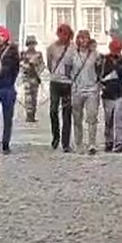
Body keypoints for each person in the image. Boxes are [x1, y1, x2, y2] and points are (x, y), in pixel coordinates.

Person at [64, 29, 102, 154]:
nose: (83, 41)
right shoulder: (72, 55)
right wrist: (72, 83)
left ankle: (92, 143)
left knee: (92, 117)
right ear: (77, 40)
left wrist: (98, 83)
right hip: (77, 89)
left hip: (92, 89)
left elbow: (100, 69)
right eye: (81, 38)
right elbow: (67, 71)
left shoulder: (95, 54)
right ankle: (79, 143)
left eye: (86, 38)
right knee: (77, 118)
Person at [0, 25, 20, 154]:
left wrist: (10, 81)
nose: (0, 38)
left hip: (7, 87)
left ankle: (6, 144)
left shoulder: (12, 50)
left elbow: (16, 68)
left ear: (6, 37)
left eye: (2, 35)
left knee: (8, 117)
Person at [100, 37, 122, 152]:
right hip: (107, 94)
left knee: (119, 119)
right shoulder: (103, 61)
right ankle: (109, 141)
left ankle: (120, 142)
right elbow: (98, 74)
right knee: (108, 120)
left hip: (120, 94)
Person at [46, 24, 75, 152]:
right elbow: (49, 63)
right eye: (61, 33)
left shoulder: (74, 48)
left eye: (66, 34)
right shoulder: (52, 48)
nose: (63, 36)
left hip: (68, 83)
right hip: (55, 82)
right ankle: (55, 136)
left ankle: (65, 142)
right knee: (53, 110)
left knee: (67, 112)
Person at [20, 35, 46, 123]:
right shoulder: (23, 54)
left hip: (35, 78)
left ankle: (33, 115)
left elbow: (42, 65)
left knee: (34, 97)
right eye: (30, 44)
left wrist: (38, 71)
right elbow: (21, 65)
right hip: (27, 78)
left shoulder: (38, 54)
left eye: (33, 44)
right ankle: (28, 115)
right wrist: (27, 66)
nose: (31, 46)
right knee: (28, 97)